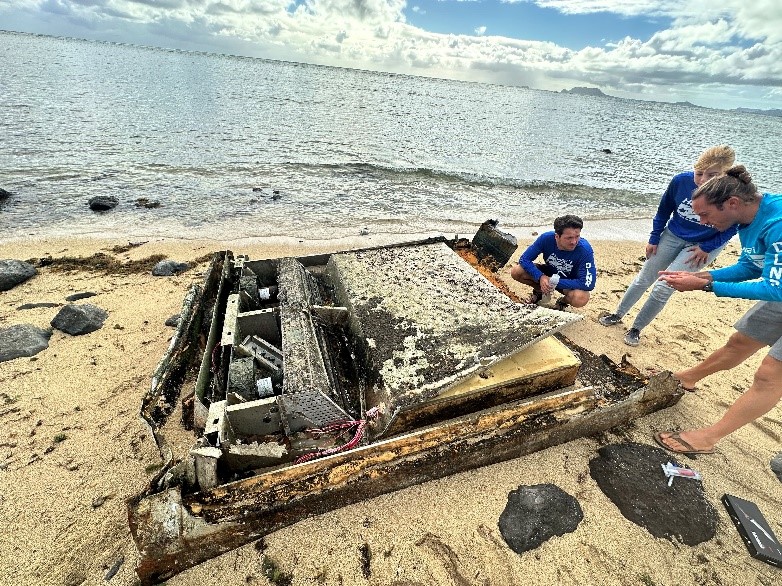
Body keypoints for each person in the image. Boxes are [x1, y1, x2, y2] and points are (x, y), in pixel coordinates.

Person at [653, 165, 782, 455]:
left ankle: (709, 437)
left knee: (769, 373)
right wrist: (704, 276)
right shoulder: (748, 220)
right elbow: (751, 265)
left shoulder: (778, 222)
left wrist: (705, 287)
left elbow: (775, 288)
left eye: (706, 215)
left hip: (779, 289)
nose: (702, 222)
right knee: (740, 342)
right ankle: (688, 377)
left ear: (732, 204)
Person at [599, 146, 738, 346]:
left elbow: (734, 227)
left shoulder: (731, 194)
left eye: (713, 175)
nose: (703, 180)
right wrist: (654, 237)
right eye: (699, 173)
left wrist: (708, 247)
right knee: (645, 277)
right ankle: (617, 313)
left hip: (703, 245)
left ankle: (637, 328)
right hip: (673, 233)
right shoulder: (681, 181)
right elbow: (664, 209)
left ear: (725, 175)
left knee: (664, 287)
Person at [510, 214, 596, 309]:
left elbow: (588, 284)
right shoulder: (546, 239)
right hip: (548, 273)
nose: (574, 242)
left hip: (569, 282)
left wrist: (552, 282)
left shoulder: (585, 250)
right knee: (517, 271)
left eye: (577, 236)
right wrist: (540, 277)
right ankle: (539, 291)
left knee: (581, 298)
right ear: (557, 236)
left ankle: (562, 302)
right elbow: (524, 259)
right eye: (569, 238)